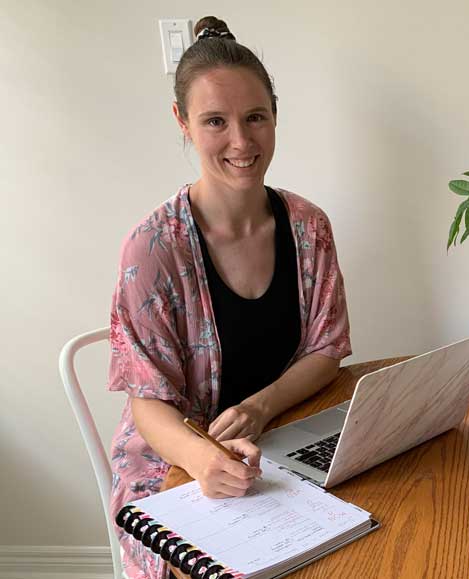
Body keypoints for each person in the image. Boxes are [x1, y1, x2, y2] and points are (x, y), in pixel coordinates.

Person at [106, 16, 351, 579]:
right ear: (183, 124)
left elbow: (326, 350)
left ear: (275, 115)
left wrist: (259, 407)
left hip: (282, 443)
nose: (242, 142)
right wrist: (202, 459)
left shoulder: (308, 226)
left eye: (255, 117)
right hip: (175, 466)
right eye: (216, 121)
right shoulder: (153, 248)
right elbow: (147, 402)